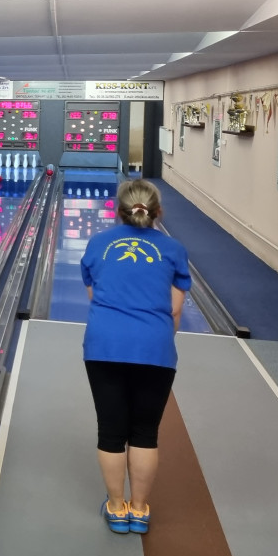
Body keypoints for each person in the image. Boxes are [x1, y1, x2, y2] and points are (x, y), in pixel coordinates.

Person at [80, 179, 190, 535]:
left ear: (119, 211)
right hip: (155, 347)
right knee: (145, 432)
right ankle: (140, 510)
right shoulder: (173, 249)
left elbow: (95, 295)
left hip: (104, 345)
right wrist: (155, 339)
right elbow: (175, 310)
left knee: (111, 431)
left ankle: (116, 508)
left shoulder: (98, 243)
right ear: (158, 212)